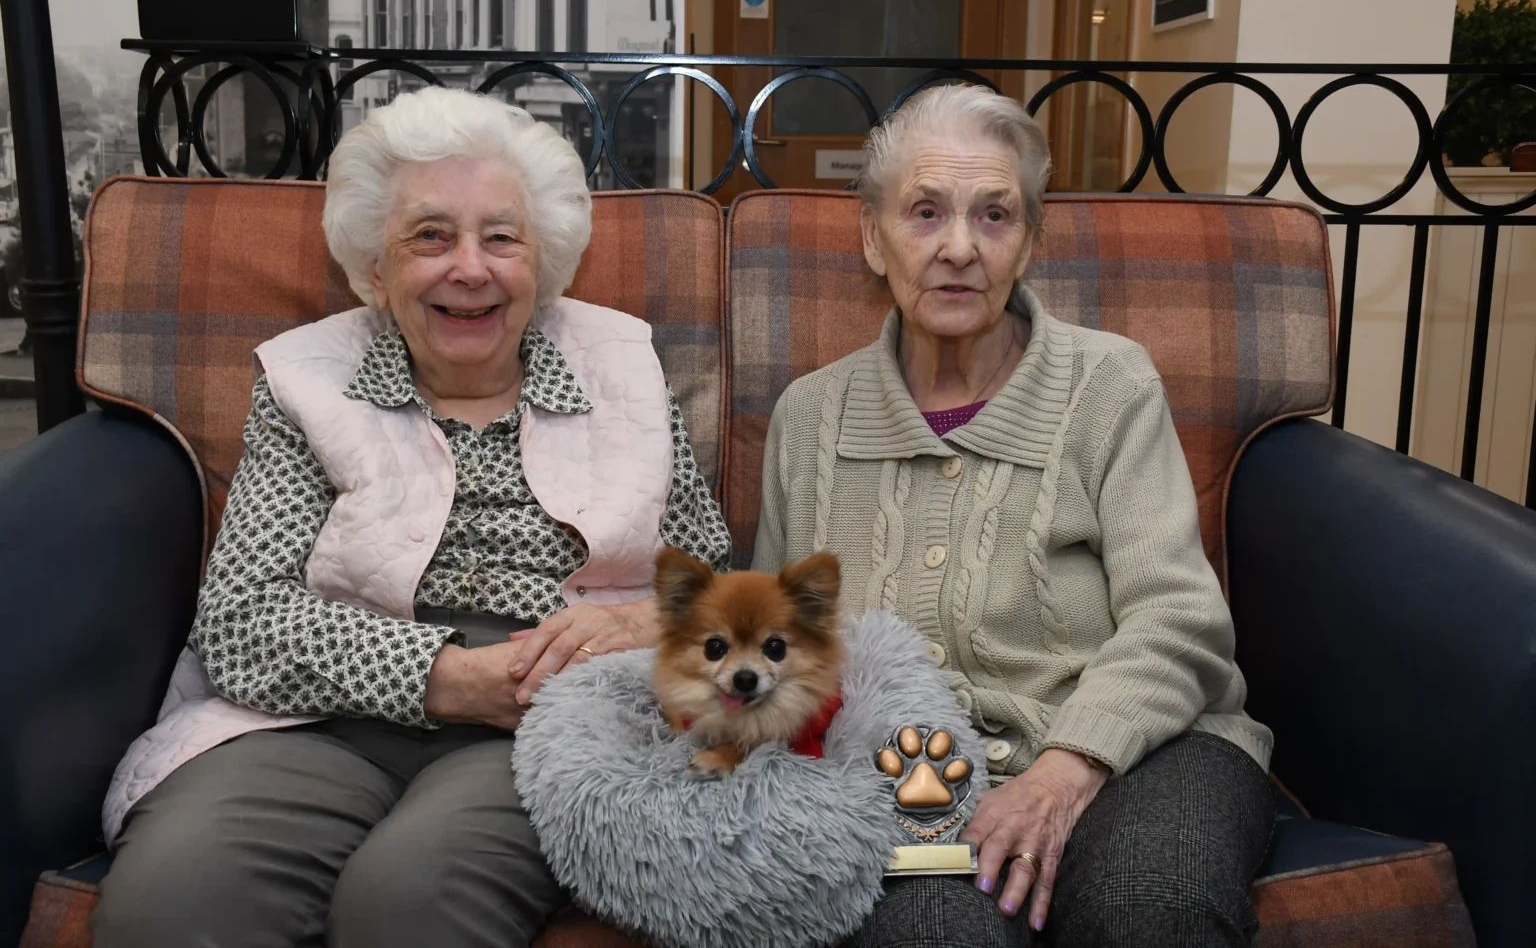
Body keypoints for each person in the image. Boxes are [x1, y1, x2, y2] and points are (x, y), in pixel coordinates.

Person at [93, 86, 732, 948]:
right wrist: (458, 677)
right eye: (430, 236)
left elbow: (718, 588)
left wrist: (642, 623)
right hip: (314, 721)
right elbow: (241, 625)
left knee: (412, 902)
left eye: (500, 237)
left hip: (548, 725)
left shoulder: (621, 371)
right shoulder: (308, 383)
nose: (469, 268)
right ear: (375, 268)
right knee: (170, 897)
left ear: (541, 261)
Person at [752, 84, 1274, 947]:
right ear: (872, 239)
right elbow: (781, 656)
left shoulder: (1110, 385)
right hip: (911, 775)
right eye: (925, 213)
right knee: (927, 934)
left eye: (994, 216)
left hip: (1153, 746)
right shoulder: (810, 418)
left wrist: (1065, 772)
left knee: (1154, 905)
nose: (960, 247)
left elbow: (1179, 619)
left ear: (1031, 241)